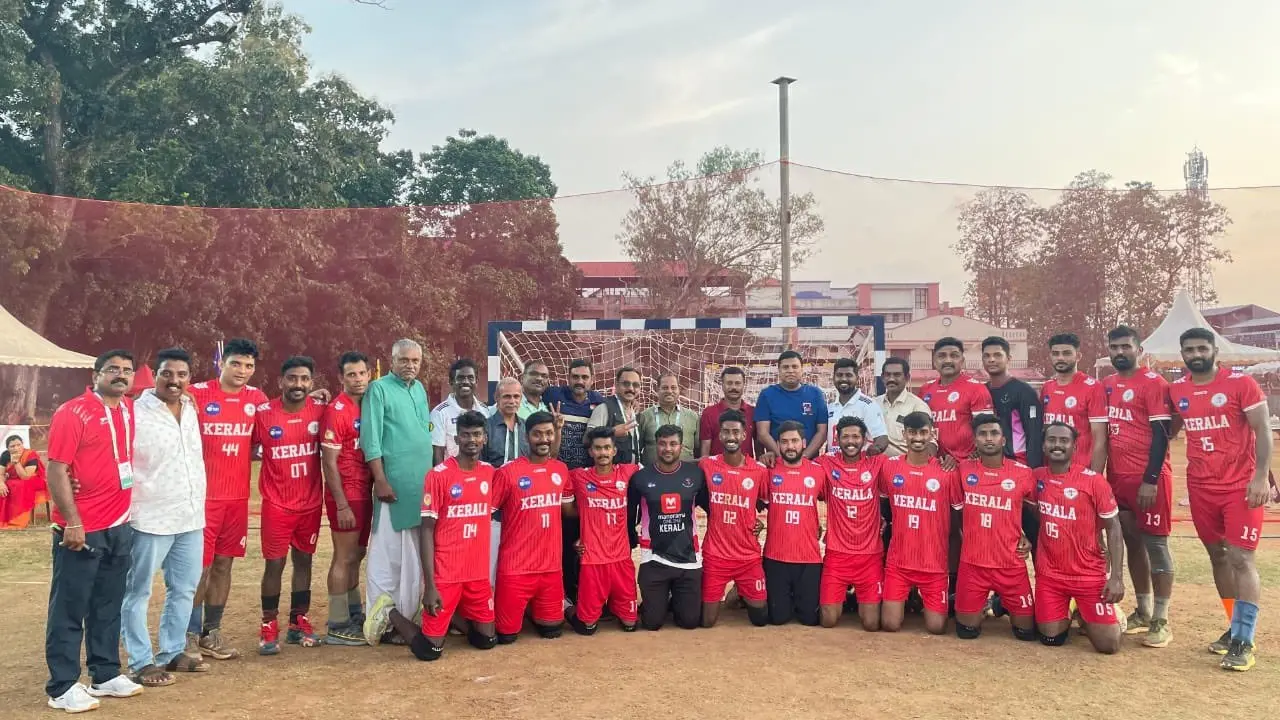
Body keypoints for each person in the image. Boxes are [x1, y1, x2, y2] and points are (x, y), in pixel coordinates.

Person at [44, 349, 143, 712]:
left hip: (119, 525)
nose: (121, 375)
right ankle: (62, 686)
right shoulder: (74, 412)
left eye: (127, 371)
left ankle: (104, 674)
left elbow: (176, 388)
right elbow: (56, 469)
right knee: (70, 608)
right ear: (96, 373)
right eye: (112, 369)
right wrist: (72, 520)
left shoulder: (130, 408)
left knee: (107, 605)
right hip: (82, 528)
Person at [1169, 327, 1273, 671]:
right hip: (1200, 487)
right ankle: (1233, 626)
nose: (1195, 354)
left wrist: (1261, 477)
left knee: (1242, 559)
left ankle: (1245, 639)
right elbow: (1167, 427)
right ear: (1182, 353)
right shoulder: (1178, 389)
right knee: (1217, 556)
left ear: (1215, 350)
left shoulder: (1240, 384)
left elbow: (1262, 431)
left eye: (1202, 347)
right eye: (1189, 349)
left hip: (1239, 487)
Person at [121, 348, 209, 687]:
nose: (174, 381)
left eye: (182, 375)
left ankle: (172, 651)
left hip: (190, 514)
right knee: (138, 591)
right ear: (154, 374)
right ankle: (140, 661)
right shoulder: (135, 412)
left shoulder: (190, 406)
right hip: (149, 516)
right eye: (167, 374)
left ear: (189, 377)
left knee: (184, 588)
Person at [380, 410, 498, 661]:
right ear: (456, 437)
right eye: (465, 435)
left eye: (477, 434)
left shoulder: (490, 473)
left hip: (477, 575)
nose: (471, 440)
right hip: (446, 575)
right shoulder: (439, 475)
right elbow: (426, 529)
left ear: (485, 438)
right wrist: (431, 586)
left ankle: (453, 614)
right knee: (429, 651)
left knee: (487, 640)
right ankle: (389, 612)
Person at [187, 338, 269, 661]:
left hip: (237, 499)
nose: (243, 371)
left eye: (249, 366)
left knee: (224, 564)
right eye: (236, 363)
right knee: (199, 568)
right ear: (223, 363)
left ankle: (211, 632)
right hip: (203, 499)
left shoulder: (257, 399)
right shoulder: (196, 393)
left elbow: (277, 424)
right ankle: (188, 634)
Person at [1102, 325, 1176, 648]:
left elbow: (1162, 433)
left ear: (1138, 350)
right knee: (1131, 542)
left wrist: (1150, 479)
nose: (1120, 352)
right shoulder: (1108, 385)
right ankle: (1144, 610)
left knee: (1156, 546)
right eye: (1114, 347)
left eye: (1125, 347)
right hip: (1118, 478)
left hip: (1149, 479)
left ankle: (1162, 619)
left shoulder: (1154, 383)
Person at [361, 339, 434, 646]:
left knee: (415, 556)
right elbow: (372, 438)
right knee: (389, 556)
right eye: (404, 360)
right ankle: (383, 619)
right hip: (393, 488)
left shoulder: (418, 389)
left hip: (421, 487)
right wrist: (380, 479)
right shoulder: (378, 390)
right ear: (391, 360)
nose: (410, 365)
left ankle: (408, 616)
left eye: (415, 361)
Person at [1031, 423, 1125, 654]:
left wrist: (1116, 578)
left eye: (1064, 441)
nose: (1057, 445)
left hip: (1088, 575)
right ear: (1044, 445)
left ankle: (1113, 616)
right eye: (1052, 440)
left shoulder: (1093, 481)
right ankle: (1074, 608)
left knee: (1108, 646)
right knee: (1050, 639)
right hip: (1051, 575)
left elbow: (1114, 528)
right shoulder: (1035, 478)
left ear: (1075, 447)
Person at [254, 356, 326, 655]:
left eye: (304, 379)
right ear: (281, 381)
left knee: (304, 561)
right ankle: (269, 624)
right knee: (274, 563)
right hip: (277, 504)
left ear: (311, 382)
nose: (298, 384)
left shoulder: (320, 411)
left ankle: (298, 621)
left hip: (310, 503)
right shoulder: (263, 414)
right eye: (292, 379)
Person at [952, 416, 1036, 641]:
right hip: (973, 564)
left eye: (994, 433)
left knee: (1026, 633)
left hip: (1010, 564)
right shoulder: (962, 470)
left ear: (1003, 439)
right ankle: (985, 601)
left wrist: (1027, 537)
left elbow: (1031, 511)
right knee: (966, 633)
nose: (989, 438)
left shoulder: (1023, 473)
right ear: (975, 440)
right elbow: (956, 512)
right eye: (983, 434)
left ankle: (1001, 601)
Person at [491, 411, 571, 643]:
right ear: (527, 437)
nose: (544, 439)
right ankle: (523, 608)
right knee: (506, 636)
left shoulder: (560, 470)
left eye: (548, 433)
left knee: (553, 631)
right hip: (516, 569)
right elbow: (487, 514)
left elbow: (569, 512)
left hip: (550, 569)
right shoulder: (507, 473)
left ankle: (540, 608)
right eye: (537, 434)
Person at [879, 411, 960, 635]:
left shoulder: (946, 472)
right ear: (904, 434)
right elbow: (884, 506)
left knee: (936, 628)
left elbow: (956, 520)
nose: (918, 438)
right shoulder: (890, 467)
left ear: (932, 433)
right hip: (899, 562)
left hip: (933, 564)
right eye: (912, 432)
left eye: (923, 432)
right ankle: (906, 600)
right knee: (890, 625)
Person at [320, 351, 375, 645]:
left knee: (357, 554)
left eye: (362, 373)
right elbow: (329, 462)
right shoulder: (336, 410)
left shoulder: (367, 405)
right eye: (351, 374)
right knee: (343, 556)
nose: (357, 379)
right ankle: (337, 623)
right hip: (346, 492)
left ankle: (353, 612)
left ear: (369, 375)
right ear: (341, 378)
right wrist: (341, 503)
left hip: (365, 490)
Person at [628, 425, 705, 630]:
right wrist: (630, 537)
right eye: (662, 444)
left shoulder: (695, 474)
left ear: (682, 446)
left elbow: (711, 507)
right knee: (652, 623)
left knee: (689, 622)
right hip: (654, 558)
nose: (667, 449)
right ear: (656, 445)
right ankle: (659, 600)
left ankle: (672, 598)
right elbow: (630, 514)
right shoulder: (641, 478)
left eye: (673, 444)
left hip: (688, 558)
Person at [565, 427, 641, 634]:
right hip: (592, 561)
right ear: (590, 452)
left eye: (607, 447)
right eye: (598, 448)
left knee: (630, 625)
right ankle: (566, 606)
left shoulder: (629, 472)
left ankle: (615, 606)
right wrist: (576, 537)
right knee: (586, 627)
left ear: (615, 450)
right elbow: (566, 508)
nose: (603, 453)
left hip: (621, 558)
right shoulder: (578, 476)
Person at [543, 359, 605, 610]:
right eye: (575, 377)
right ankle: (564, 592)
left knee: (586, 538)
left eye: (584, 377)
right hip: (558, 480)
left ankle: (588, 591)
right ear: (567, 378)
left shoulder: (599, 403)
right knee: (562, 538)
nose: (579, 382)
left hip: (585, 481)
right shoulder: (554, 394)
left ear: (592, 379)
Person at [698, 409, 769, 628]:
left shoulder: (758, 470)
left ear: (744, 436)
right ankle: (734, 590)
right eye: (726, 432)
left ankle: (739, 590)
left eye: (735, 432)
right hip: (716, 555)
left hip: (748, 556)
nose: (731, 437)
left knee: (760, 619)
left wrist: (762, 521)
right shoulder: (707, 465)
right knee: (707, 621)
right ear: (719, 436)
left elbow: (767, 503)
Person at [817, 417, 888, 631]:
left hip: (869, 556)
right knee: (828, 621)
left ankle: (857, 598)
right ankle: (843, 598)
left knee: (871, 624)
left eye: (856, 436)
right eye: (845, 436)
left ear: (865, 439)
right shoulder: (825, 463)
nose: (850, 441)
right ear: (837, 439)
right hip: (837, 555)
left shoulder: (878, 462)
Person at [760, 420, 825, 626]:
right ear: (778, 445)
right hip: (776, 555)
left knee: (810, 619)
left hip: (809, 557)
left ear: (804, 443)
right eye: (785, 442)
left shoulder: (818, 471)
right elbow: (749, 499)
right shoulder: (767, 471)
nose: (790, 446)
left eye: (795, 441)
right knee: (778, 619)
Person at [918, 338, 994, 463]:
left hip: (965, 465)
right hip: (931, 464)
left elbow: (987, 431)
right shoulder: (925, 389)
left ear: (962, 361)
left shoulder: (977, 389)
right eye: (942, 356)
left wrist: (972, 459)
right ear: (934, 361)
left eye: (954, 355)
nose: (948, 360)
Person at [1041, 333, 1108, 472]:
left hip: (1080, 470)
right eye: (1056, 353)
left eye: (1066, 353)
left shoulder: (1093, 387)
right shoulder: (1047, 387)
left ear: (1078, 356)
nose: (1060, 358)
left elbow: (1100, 439)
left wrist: (1094, 478)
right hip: (1050, 471)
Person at [756, 351, 829, 464]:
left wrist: (803, 459)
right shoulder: (767, 395)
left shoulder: (815, 394)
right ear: (779, 371)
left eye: (794, 366)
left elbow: (822, 432)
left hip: (809, 463)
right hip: (778, 462)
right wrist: (784, 458)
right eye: (785, 367)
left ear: (802, 370)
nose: (790, 370)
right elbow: (762, 433)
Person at [981, 336, 1044, 467]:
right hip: (990, 464)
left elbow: (1034, 434)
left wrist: (1033, 469)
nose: (991, 360)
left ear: (1008, 359)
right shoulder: (981, 391)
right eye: (987, 356)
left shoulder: (1024, 391)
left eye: (997, 355)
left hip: (1018, 463)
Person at [430, 358, 492, 465]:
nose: (466, 382)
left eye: (470, 378)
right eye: (460, 378)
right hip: (452, 476)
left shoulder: (485, 411)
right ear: (451, 381)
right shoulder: (439, 413)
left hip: (479, 475)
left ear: (476, 381)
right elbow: (437, 452)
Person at [826, 358, 888, 455]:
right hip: (834, 466)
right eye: (839, 375)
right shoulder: (830, 407)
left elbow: (882, 439)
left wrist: (868, 457)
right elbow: (830, 441)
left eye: (849, 375)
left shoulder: (868, 405)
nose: (843, 379)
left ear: (857, 378)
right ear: (833, 378)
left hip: (859, 466)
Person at [638, 372, 699, 465]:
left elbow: (698, 449)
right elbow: (638, 448)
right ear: (657, 390)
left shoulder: (693, 417)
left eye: (673, 388)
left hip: (685, 475)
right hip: (653, 475)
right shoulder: (644, 416)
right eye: (665, 388)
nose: (670, 391)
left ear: (679, 390)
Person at [586, 367, 643, 465]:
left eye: (635, 385)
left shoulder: (637, 413)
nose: (631, 388)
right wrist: (612, 432)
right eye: (626, 384)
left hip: (632, 472)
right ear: (616, 385)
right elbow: (586, 439)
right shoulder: (603, 408)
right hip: (609, 474)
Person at [875, 357, 931, 457]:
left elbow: (928, 442)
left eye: (897, 375)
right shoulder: (874, 404)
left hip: (903, 467)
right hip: (874, 465)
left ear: (907, 377)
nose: (891, 379)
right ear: (883, 377)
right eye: (888, 375)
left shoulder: (918, 406)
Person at [699, 366, 755, 459]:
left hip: (747, 470)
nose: (733, 387)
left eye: (737, 383)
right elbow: (705, 453)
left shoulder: (753, 412)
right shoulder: (709, 413)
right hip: (717, 471)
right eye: (729, 383)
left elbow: (759, 447)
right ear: (722, 385)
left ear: (743, 385)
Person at [1, 433, 47, 529]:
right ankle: (4, 518)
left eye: (19, 445)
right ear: (8, 448)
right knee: (6, 485)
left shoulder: (30, 455)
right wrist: (1, 484)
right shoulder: (5, 455)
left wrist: (16, 462)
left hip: (33, 480)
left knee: (18, 485)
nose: (16, 448)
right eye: (12, 446)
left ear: (23, 444)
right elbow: (1, 473)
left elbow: (25, 476)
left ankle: (17, 520)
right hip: (14, 480)